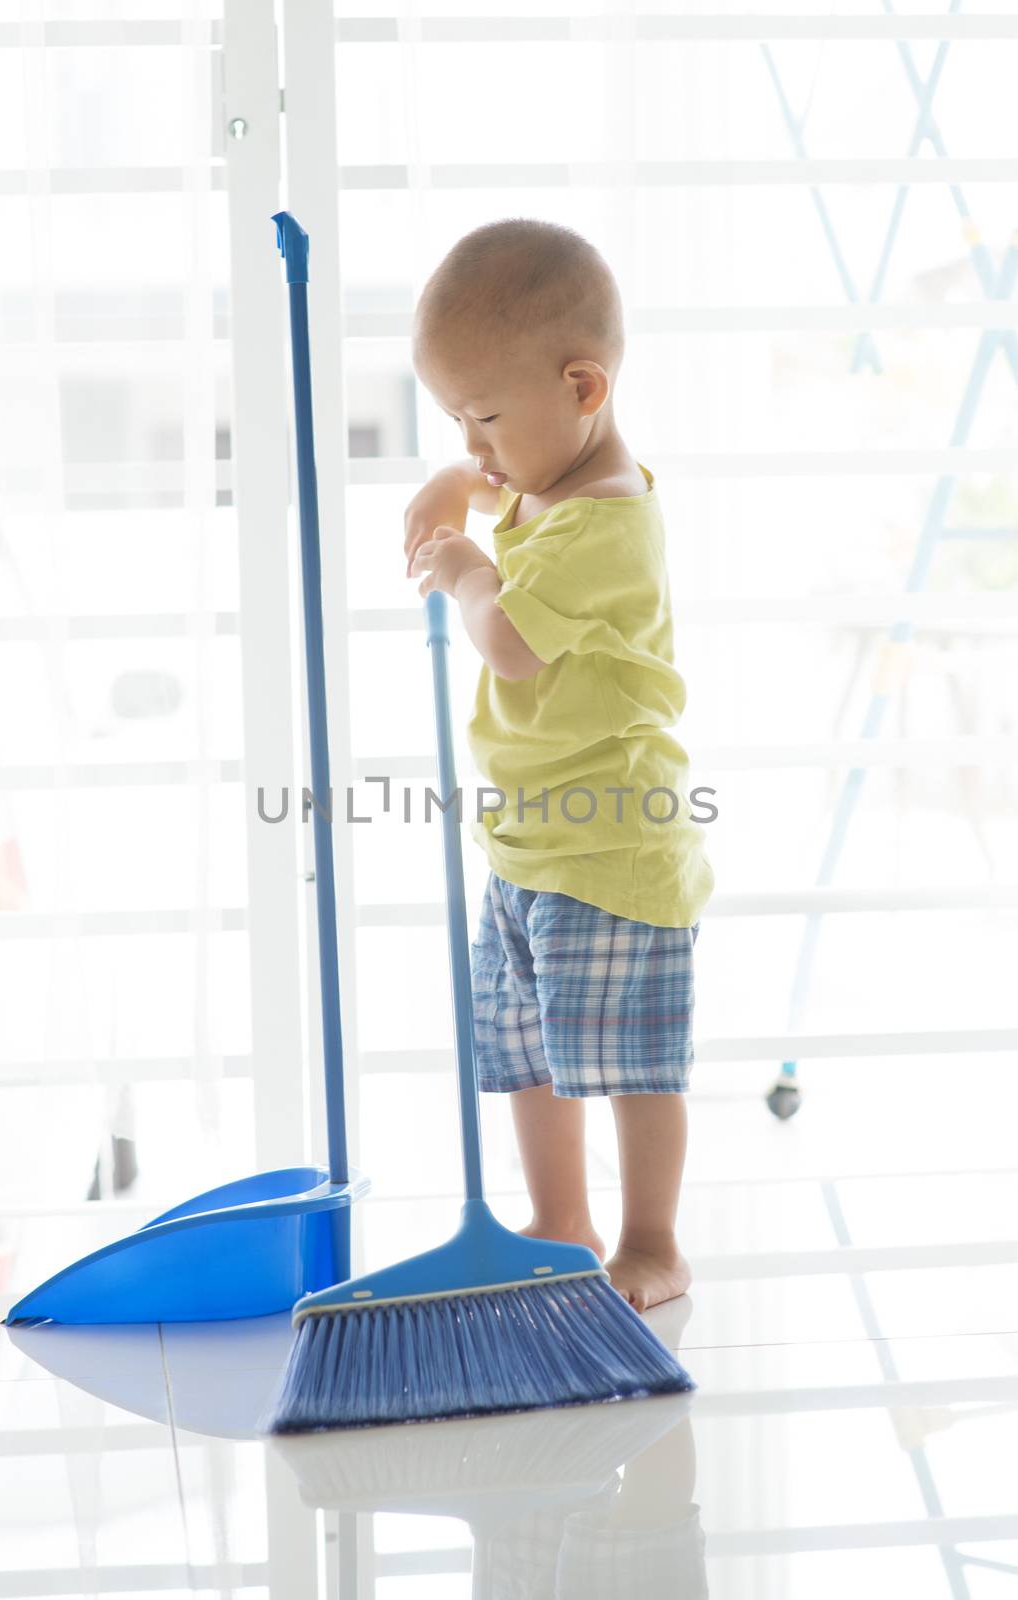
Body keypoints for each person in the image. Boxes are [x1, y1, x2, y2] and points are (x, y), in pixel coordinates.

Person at [403, 217, 714, 1312]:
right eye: (457, 418)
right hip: (533, 844)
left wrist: (462, 570)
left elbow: (513, 640)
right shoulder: (548, 478)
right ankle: (560, 1217)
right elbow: (511, 488)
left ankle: (652, 1239)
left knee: (630, 1062)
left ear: (584, 386)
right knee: (528, 1053)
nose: (477, 444)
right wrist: (462, 478)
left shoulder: (609, 523)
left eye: (484, 417)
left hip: (615, 847)